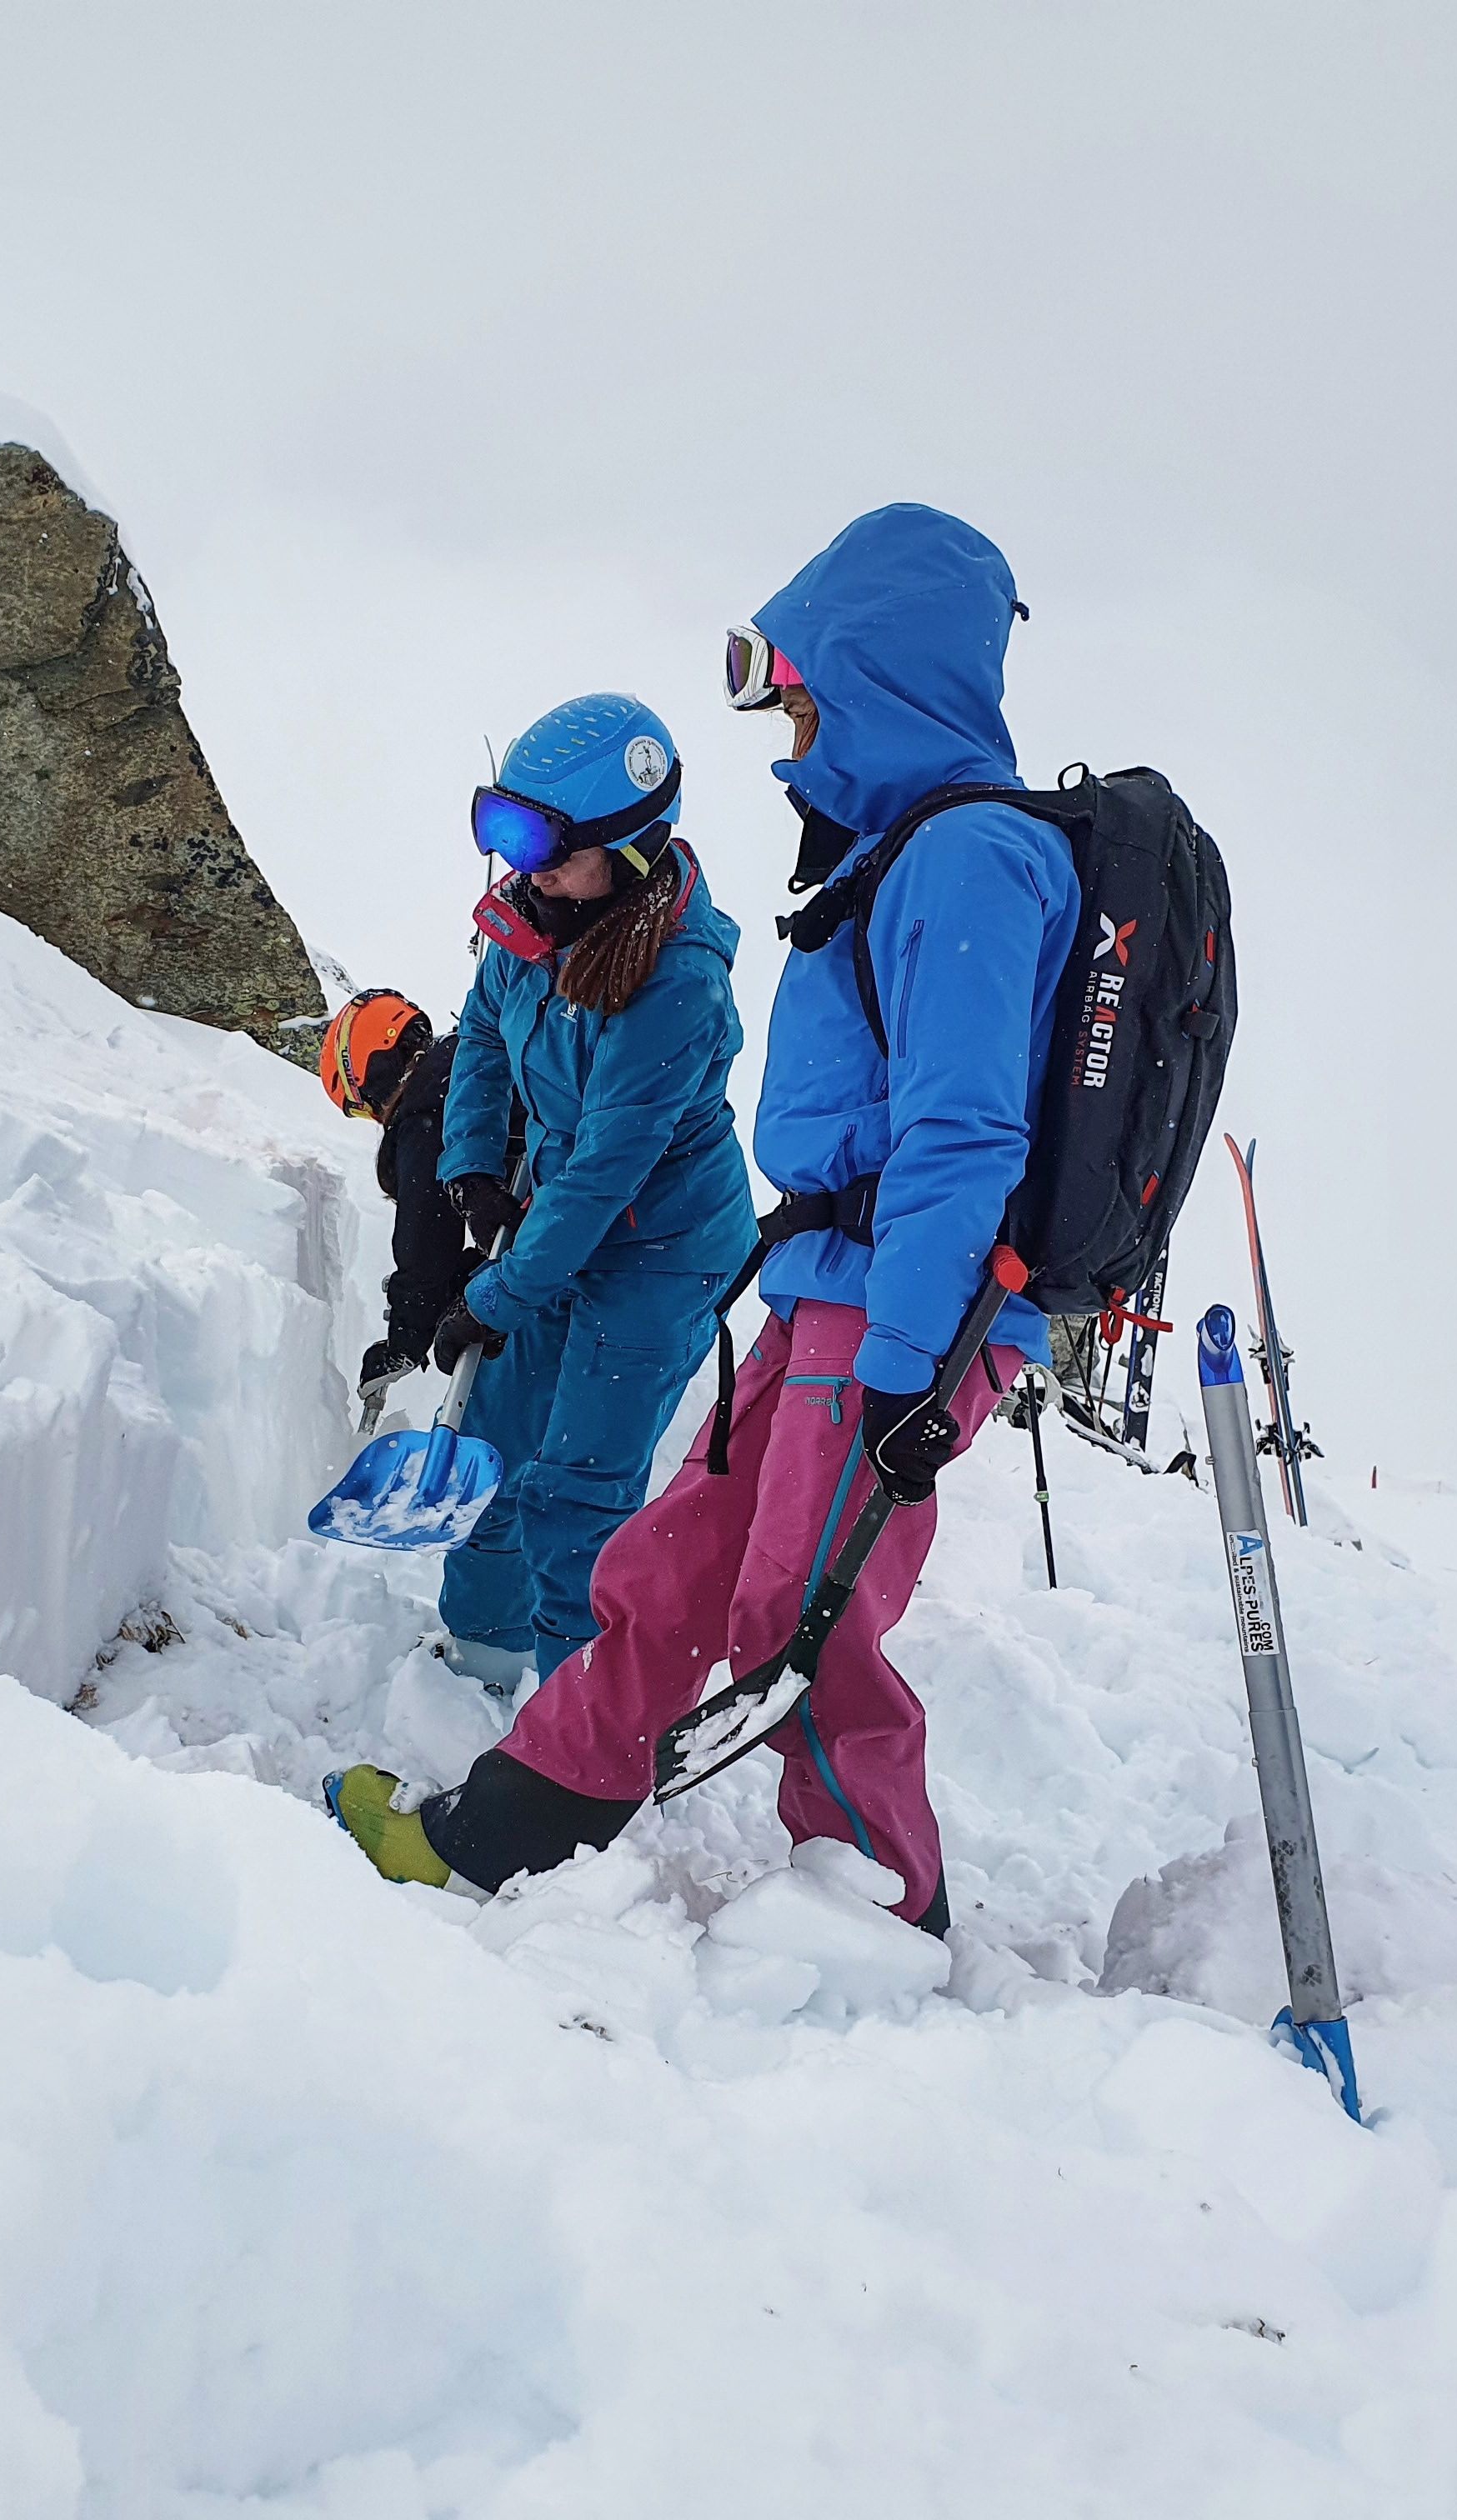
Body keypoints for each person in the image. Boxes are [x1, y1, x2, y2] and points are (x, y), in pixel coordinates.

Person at [328, 508, 1080, 1939]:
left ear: (870, 677)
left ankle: (874, 1910)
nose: (784, 726)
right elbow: (490, 1043)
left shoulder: (969, 855)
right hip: (825, 1284)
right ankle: (512, 1824)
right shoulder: (894, 849)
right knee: (672, 1562)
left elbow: (962, 1132)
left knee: (801, 1611)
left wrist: (911, 1357)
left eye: (795, 692)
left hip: (897, 1306)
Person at [380, 692, 756, 1698]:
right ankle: (479, 1658)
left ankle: (568, 1714)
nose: (524, 867)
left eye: (549, 847)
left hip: (659, 1253)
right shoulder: (530, 919)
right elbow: (488, 1039)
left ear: (630, 853)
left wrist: (490, 1300)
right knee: (493, 1451)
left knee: (578, 1490)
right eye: (508, 836)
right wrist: (469, 1172)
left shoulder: (676, 985)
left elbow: (602, 1179)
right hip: (554, 1215)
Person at [318, 989, 518, 1423]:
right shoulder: (469, 1056)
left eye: (360, 1107)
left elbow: (426, 1233)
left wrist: (403, 1344)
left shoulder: (428, 1097)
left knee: (504, 1409)